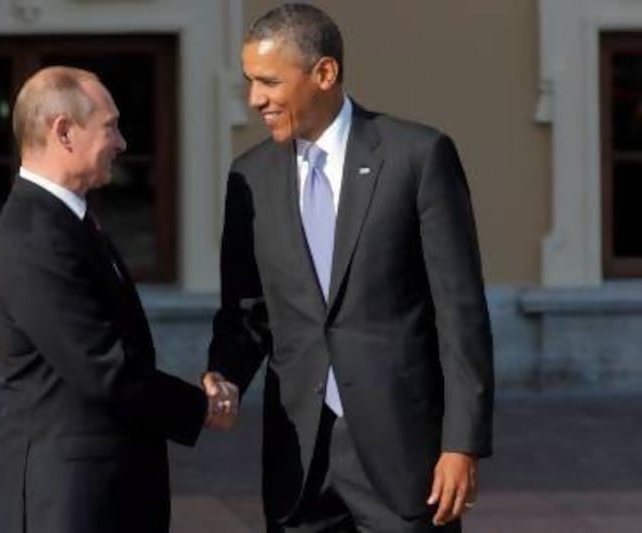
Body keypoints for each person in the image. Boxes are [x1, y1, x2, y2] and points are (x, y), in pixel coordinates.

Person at [204, 4, 494, 532]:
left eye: (269, 81)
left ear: (324, 73)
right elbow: (247, 311)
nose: (255, 99)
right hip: (299, 461)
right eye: (250, 82)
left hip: (405, 457)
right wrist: (223, 374)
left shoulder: (418, 156)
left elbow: (461, 313)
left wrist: (462, 442)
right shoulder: (249, 177)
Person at [0, 66, 237, 533]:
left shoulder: (66, 222)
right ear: (64, 132)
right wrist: (202, 407)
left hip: (101, 490)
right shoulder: (35, 237)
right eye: (110, 126)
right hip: (67, 499)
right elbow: (103, 369)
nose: (121, 142)